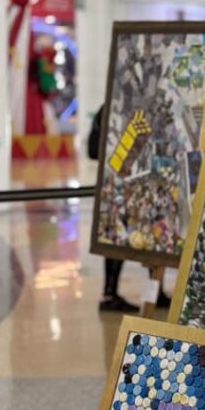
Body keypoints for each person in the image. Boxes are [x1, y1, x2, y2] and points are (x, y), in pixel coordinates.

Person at [88, 105, 140, 313]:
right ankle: (110, 293)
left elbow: (92, 150)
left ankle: (154, 292)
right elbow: (93, 150)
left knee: (144, 235)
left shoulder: (109, 108)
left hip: (121, 181)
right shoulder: (116, 109)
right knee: (117, 236)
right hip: (119, 182)